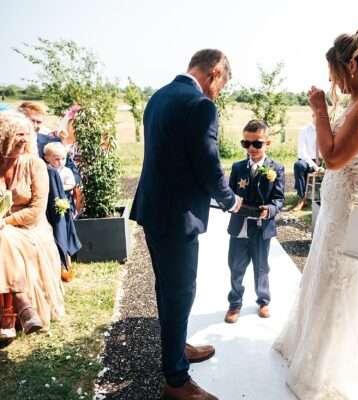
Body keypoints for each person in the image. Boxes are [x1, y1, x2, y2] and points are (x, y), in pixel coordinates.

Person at [274, 28, 358, 399]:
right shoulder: (356, 103)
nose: (331, 79)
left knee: (340, 282)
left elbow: (332, 158)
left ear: (350, 65)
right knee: (323, 274)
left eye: (333, 70)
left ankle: (326, 368)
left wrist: (319, 111)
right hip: (337, 205)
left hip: (352, 210)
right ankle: (306, 346)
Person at [129, 49, 242, 400]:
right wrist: (230, 200)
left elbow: (171, 156)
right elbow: (208, 162)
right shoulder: (200, 105)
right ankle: (176, 381)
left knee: (168, 288)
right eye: (222, 83)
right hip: (177, 218)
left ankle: (176, 349)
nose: (218, 92)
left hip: (153, 210)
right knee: (180, 292)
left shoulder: (158, 97)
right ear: (216, 71)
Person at [0, 111, 64, 346]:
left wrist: (5, 222)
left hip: (31, 227)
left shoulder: (35, 165)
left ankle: (8, 316)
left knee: (4, 238)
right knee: (4, 239)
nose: (23, 140)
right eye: (16, 134)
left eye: (26, 135)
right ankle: (21, 303)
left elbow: (36, 210)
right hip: (4, 229)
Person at [224, 120, 285, 323]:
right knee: (235, 266)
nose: (251, 148)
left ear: (268, 143)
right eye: (246, 144)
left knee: (261, 266)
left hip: (261, 227)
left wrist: (270, 209)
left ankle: (263, 300)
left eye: (257, 144)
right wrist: (230, 201)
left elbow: (278, 199)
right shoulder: (238, 167)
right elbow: (229, 192)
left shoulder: (276, 168)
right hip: (239, 226)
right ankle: (235, 303)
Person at [43, 142, 81, 281]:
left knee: (64, 231)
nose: (60, 162)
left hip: (65, 204)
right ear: (47, 158)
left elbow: (71, 184)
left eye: (63, 158)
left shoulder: (65, 171)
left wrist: (59, 186)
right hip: (51, 205)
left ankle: (67, 264)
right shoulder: (46, 171)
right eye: (56, 159)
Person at [292, 113, 322, 211]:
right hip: (307, 160)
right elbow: (302, 152)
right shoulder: (304, 130)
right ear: (313, 115)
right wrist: (314, 166)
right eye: (319, 115)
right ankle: (302, 199)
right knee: (298, 165)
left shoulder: (326, 130)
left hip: (322, 160)